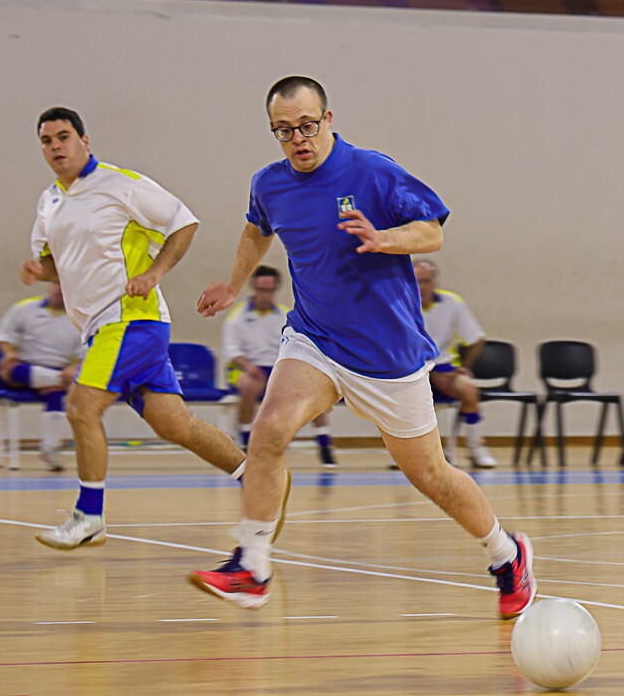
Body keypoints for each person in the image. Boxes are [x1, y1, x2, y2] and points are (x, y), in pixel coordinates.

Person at [189, 75, 535, 615]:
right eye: (284, 131)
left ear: (329, 120)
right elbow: (258, 228)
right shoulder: (269, 183)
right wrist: (233, 284)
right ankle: (252, 564)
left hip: (386, 355)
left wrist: (385, 239)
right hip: (315, 339)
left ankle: (506, 553)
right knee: (270, 429)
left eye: (306, 125)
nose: (298, 139)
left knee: (431, 476)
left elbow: (433, 230)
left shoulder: (371, 171)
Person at [21, 107, 270, 550]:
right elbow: (56, 265)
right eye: (47, 140)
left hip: (131, 319)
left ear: (85, 140)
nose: (56, 146)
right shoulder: (49, 201)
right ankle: (258, 479)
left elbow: (184, 221)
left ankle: (89, 515)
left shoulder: (120, 185)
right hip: (101, 328)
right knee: (176, 425)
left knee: (80, 408)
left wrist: (155, 273)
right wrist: (35, 270)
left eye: (63, 136)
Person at [223, 264, 335, 465]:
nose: (264, 295)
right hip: (249, 369)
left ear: (276, 290)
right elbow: (232, 353)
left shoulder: (285, 316)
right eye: (260, 290)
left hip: (278, 367)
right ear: (253, 288)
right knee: (249, 384)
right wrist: (248, 366)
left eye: (269, 290)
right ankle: (247, 438)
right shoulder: (237, 318)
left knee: (313, 386)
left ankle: (324, 442)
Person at [0, 282, 83, 470]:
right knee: (13, 371)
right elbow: (3, 337)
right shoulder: (24, 309)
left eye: (64, 286)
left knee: (55, 395)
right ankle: (57, 381)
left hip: (58, 368)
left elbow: (85, 354)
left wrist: (74, 368)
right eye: (56, 285)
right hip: (23, 369)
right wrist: (9, 353)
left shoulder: (80, 320)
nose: (59, 290)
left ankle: (50, 450)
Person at [416, 258, 496, 469]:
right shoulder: (396, 305)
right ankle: (412, 454)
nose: (421, 287)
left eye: (425, 281)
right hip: (411, 371)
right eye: (416, 282)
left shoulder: (452, 303)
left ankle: (475, 449)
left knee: (468, 389)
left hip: (445, 367)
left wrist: (465, 367)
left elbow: (476, 338)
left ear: (434, 283)